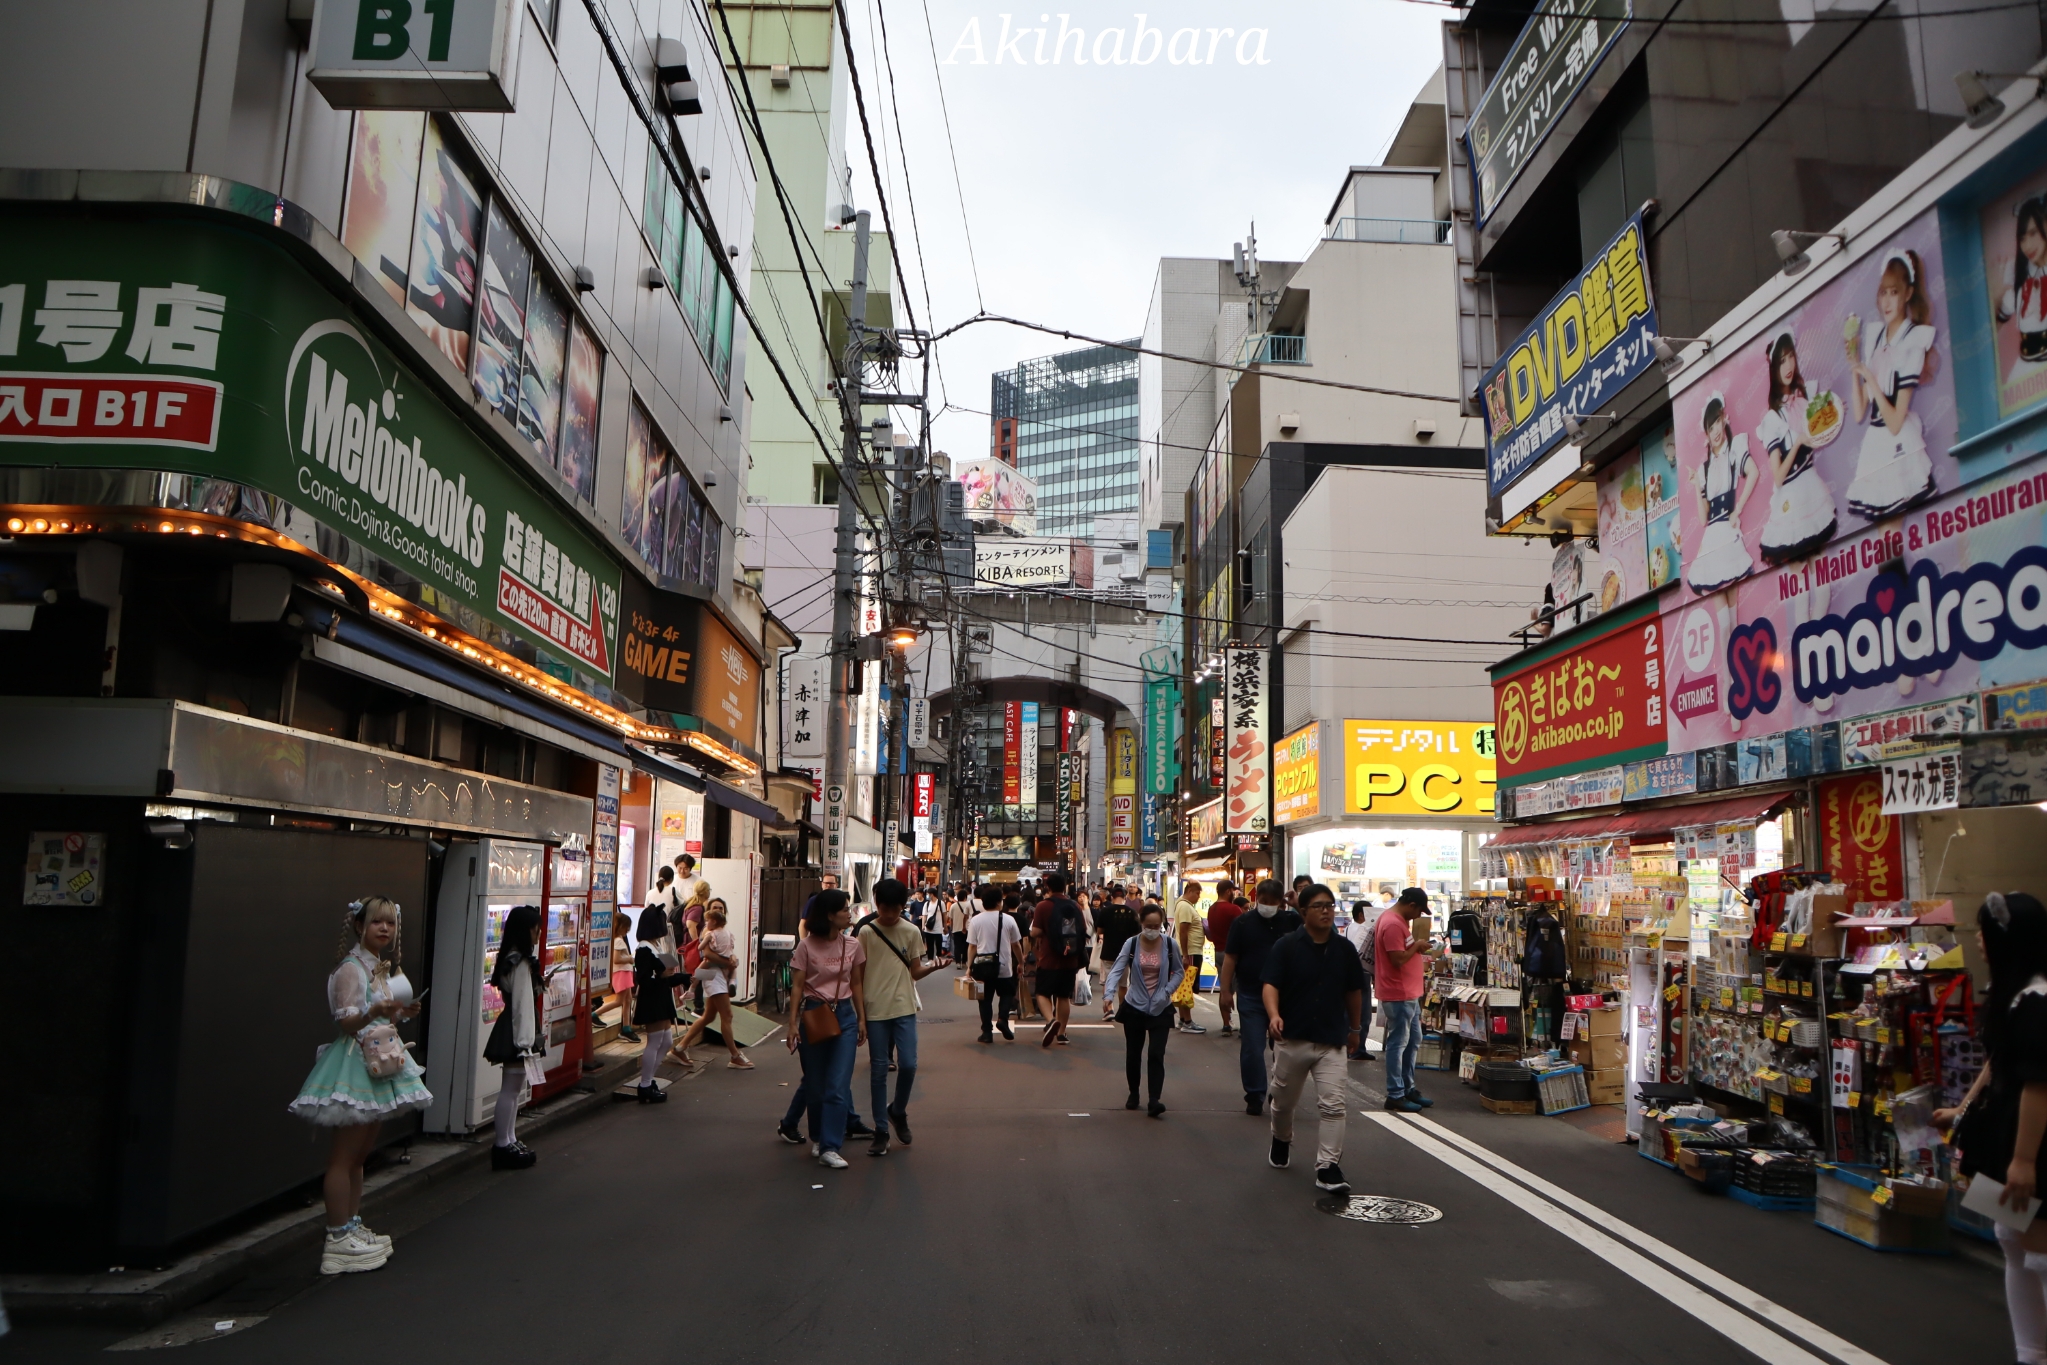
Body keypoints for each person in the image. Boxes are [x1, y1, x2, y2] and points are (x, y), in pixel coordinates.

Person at [288, 896, 429, 1275]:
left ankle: (350, 1225)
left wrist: (400, 1012)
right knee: (344, 1156)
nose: (385, 929)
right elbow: (347, 1022)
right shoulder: (350, 969)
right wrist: (375, 1011)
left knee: (361, 1153)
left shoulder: (378, 968)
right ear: (358, 925)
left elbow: (377, 1018)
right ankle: (337, 1237)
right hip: (354, 1062)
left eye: (391, 924)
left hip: (376, 1060)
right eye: (376, 923)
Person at [1935, 891, 2047, 1365]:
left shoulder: (2038, 999)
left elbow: (2039, 1084)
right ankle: (2031, 1353)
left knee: (2040, 1249)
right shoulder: (2012, 994)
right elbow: (1997, 1063)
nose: (1978, 940)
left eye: (1984, 932)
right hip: (2000, 1133)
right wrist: (1962, 1110)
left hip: (2030, 1139)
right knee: (2009, 1238)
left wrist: (2024, 1160)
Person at [1262, 882, 1365, 1196]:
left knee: (1334, 1106)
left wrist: (1356, 1030)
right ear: (1303, 911)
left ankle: (1328, 1167)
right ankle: (1281, 1138)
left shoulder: (1344, 949)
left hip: (1330, 1040)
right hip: (1292, 1038)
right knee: (1282, 1102)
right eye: (1319, 906)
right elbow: (1270, 985)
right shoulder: (1287, 946)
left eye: (1330, 905)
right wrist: (1274, 1015)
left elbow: (1354, 991)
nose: (1326, 911)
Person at [1845, 248, 1939, 518]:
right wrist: (1855, 369)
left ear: (1908, 293)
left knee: (1891, 535)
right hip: (1875, 444)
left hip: (1897, 445)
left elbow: (1896, 422)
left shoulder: (1913, 340)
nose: (1886, 301)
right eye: (1883, 292)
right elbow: (1861, 411)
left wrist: (1870, 378)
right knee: (1887, 539)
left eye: (1894, 292)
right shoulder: (1875, 337)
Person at [859, 879, 949, 1155]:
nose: (889, 914)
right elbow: (857, 977)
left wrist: (933, 968)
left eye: (895, 909)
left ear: (903, 906)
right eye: (885, 908)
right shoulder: (865, 932)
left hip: (903, 1006)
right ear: (877, 904)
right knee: (878, 1071)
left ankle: (897, 1110)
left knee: (908, 1065)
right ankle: (881, 1130)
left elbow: (914, 971)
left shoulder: (910, 931)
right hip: (874, 1008)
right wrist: (860, 1015)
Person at [785, 890, 867, 1169]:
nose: (849, 913)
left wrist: (861, 1019)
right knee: (817, 1084)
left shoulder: (853, 945)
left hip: (844, 1014)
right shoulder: (806, 946)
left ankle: (831, 1146)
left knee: (838, 1084)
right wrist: (792, 1023)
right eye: (844, 909)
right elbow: (797, 986)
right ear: (830, 915)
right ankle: (819, 1139)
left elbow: (856, 983)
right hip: (814, 1014)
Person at [1754, 331, 1837, 564]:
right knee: (1799, 582)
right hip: (1790, 500)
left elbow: (1818, 438)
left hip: (1811, 490)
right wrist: (1798, 441)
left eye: (1791, 357)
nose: (1788, 365)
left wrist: (1834, 416)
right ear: (1773, 369)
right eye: (1781, 361)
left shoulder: (1804, 402)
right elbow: (1778, 477)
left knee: (1821, 575)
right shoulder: (1772, 418)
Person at [1219, 880, 1301, 1115]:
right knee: (1253, 1047)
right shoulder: (1243, 922)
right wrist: (1226, 991)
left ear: (1280, 903)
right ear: (1257, 899)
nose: (1266, 906)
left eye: (1272, 902)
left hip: (1286, 996)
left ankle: (1279, 1090)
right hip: (1251, 993)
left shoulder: (1291, 921)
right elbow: (1231, 958)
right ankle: (1254, 1094)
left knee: (1285, 1049)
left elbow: (1319, 932)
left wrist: (1299, 907)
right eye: (1262, 901)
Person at [479, 905, 547, 1170]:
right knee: (511, 1090)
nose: (538, 935)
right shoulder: (519, 962)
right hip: (518, 1030)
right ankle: (502, 1143)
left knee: (513, 1089)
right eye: (535, 929)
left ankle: (509, 1139)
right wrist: (525, 1042)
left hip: (514, 1027)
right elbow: (521, 1004)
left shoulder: (513, 958)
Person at [1103, 904, 1183, 1117]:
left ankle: (1154, 1099)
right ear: (1141, 923)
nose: (1152, 929)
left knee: (1156, 1053)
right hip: (1135, 1005)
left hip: (1160, 1006)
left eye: (1156, 925)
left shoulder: (1169, 944)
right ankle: (1134, 1093)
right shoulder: (1131, 944)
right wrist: (1108, 995)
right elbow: (1117, 969)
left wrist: (1166, 991)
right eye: (1148, 925)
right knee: (1134, 1053)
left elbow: (1178, 972)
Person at [1376, 887, 1442, 1113]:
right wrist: (1417, 946)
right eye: (1418, 911)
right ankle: (1395, 1092)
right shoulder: (1393, 923)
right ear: (1411, 905)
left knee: (1413, 1039)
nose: (1418, 916)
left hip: (1408, 993)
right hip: (1398, 993)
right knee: (1399, 1042)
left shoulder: (1398, 921)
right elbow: (1397, 959)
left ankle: (1407, 1087)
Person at [672, 902, 754, 1072]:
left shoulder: (725, 933)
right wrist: (728, 962)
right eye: (714, 908)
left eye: (721, 909)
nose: (717, 911)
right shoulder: (708, 932)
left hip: (719, 974)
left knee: (708, 1017)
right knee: (727, 1015)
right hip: (712, 975)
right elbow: (707, 955)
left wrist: (732, 960)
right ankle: (735, 1055)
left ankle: (679, 1048)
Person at [630, 904, 688, 1103]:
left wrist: (683, 977)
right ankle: (645, 1084)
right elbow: (644, 979)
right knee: (655, 1042)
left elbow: (662, 977)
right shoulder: (644, 949)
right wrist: (663, 974)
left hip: (661, 997)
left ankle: (648, 1079)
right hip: (652, 999)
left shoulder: (654, 946)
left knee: (667, 1042)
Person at [1030, 870, 1087, 1047]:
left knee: (1042, 993)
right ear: (1066, 887)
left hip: (1048, 957)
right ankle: (1061, 1033)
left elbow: (1036, 931)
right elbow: (1083, 930)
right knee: (1063, 996)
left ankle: (1050, 1020)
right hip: (1070, 958)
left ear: (1047, 887)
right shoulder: (1075, 906)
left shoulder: (1043, 906)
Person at [968, 887, 1024, 1043]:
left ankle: (986, 1032)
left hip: (982, 967)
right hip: (1004, 965)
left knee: (984, 1000)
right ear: (1000, 902)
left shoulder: (976, 920)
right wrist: (1021, 962)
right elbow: (1016, 945)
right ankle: (1002, 1019)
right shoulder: (1008, 919)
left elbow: (972, 946)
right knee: (1007, 994)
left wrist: (968, 967)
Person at [1207, 889, 1248, 1036]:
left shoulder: (1211, 909)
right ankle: (1245, 1026)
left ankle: (1226, 1024)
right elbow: (1244, 929)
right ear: (1228, 891)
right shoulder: (1233, 909)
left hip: (1218, 951)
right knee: (1241, 989)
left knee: (1224, 989)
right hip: (1234, 953)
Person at [1170, 880, 1209, 1035]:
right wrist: (1185, 955)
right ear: (1190, 891)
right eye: (1198, 893)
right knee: (1187, 986)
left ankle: (1182, 1019)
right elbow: (1184, 931)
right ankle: (1187, 1021)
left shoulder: (1184, 905)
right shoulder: (1185, 906)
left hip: (1190, 951)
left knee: (1184, 985)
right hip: (1190, 952)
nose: (1199, 897)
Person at [1344, 905, 1378, 1061]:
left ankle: (1350, 1047)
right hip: (1361, 973)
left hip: (1349, 972)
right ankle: (1358, 1049)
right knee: (1362, 1012)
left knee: (1349, 1011)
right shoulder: (1363, 930)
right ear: (1361, 915)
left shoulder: (1348, 928)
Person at [1095, 887, 1140, 989]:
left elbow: (1099, 931)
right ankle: (1121, 1005)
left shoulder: (1105, 911)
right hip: (1125, 953)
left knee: (1108, 982)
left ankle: (1108, 1004)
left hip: (1108, 952)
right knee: (1123, 985)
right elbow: (1137, 934)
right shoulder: (1132, 912)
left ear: (1112, 897)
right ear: (1125, 897)